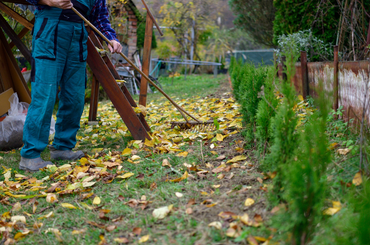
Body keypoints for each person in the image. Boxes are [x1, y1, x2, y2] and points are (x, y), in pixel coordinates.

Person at [19, 0, 122, 171]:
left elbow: (100, 17)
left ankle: (62, 146)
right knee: (45, 95)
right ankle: (30, 155)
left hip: (77, 37)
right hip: (49, 31)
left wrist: (110, 37)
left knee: (75, 96)